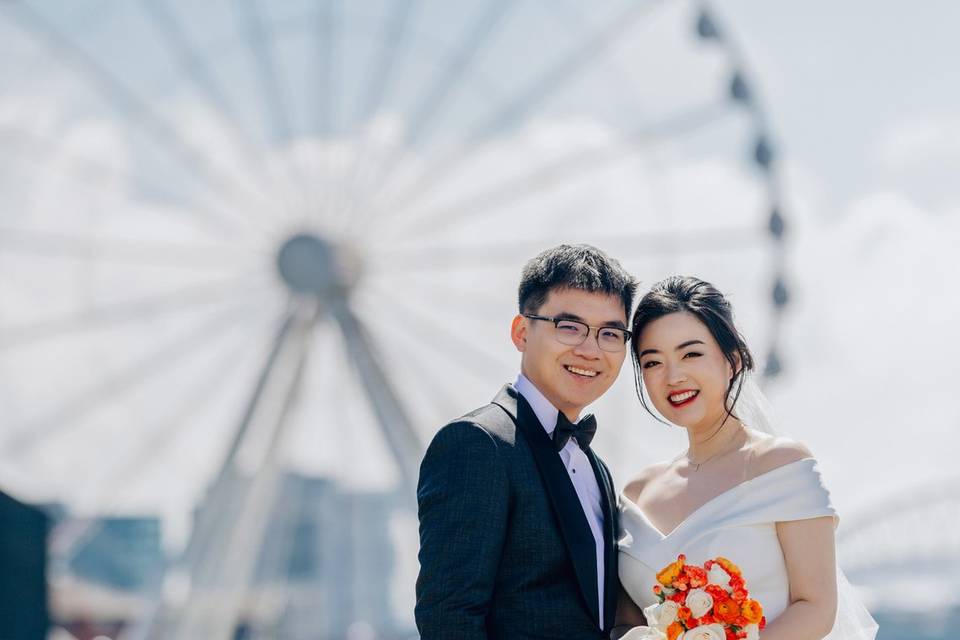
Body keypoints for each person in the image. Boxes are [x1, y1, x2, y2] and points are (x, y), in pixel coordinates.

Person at [614, 276, 877, 640]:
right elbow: (625, 624)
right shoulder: (636, 494)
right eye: (653, 362)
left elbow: (815, 606)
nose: (673, 376)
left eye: (691, 354)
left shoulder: (781, 466)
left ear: (732, 361)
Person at [415, 244, 638, 639]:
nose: (590, 349)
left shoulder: (595, 466)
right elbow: (449, 616)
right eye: (569, 327)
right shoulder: (477, 444)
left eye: (610, 333)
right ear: (521, 332)